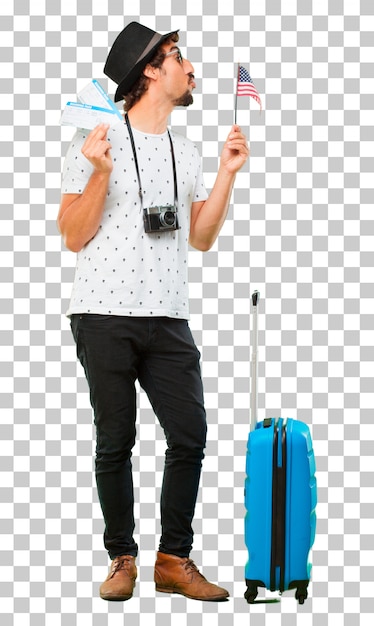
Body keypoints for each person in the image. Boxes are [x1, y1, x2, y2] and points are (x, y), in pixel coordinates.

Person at [57, 21, 249, 602]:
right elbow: (72, 234)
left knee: (189, 435)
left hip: (168, 315)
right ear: (149, 70)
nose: (192, 68)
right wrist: (101, 174)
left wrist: (226, 176)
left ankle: (173, 559)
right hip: (103, 314)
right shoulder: (95, 142)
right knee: (115, 441)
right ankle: (122, 558)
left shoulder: (186, 150)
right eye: (179, 57)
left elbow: (201, 237)